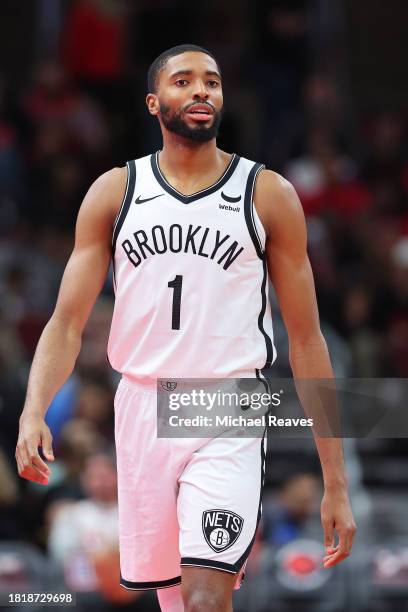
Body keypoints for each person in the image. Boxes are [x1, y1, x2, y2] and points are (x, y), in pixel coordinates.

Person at [16, 44, 357, 612]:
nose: (202, 90)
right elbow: (67, 321)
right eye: (184, 81)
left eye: (213, 82)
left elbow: (306, 340)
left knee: (205, 594)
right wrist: (34, 409)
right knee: (174, 601)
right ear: (154, 103)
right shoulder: (115, 192)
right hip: (142, 404)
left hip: (226, 404)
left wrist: (336, 481)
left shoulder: (267, 193)